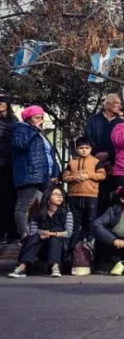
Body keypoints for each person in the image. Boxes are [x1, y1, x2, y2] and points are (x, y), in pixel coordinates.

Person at [11, 106, 60, 240]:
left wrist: (55, 171)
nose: (40, 120)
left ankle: (46, 231)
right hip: (29, 174)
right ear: (28, 119)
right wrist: (34, 130)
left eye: (41, 117)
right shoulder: (21, 129)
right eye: (37, 117)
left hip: (44, 175)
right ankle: (24, 234)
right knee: (24, 204)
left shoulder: (39, 133)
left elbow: (49, 154)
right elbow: (20, 144)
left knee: (50, 201)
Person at [8, 187, 71, 278]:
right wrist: (41, 234)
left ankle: (55, 267)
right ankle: (22, 267)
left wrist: (52, 234)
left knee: (54, 239)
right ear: (48, 197)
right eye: (56, 194)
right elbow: (32, 232)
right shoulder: (38, 213)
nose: (60, 197)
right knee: (35, 238)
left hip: (60, 247)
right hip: (42, 247)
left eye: (61, 195)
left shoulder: (66, 213)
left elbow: (68, 233)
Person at [92, 185, 124, 276]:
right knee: (101, 237)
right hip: (116, 248)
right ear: (122, 199)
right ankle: (119, 263)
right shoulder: (112, 211)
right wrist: (113, 240)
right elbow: (96, 225)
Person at [84, 94, 124, 213]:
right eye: (116, 103)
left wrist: (110, 154)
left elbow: (122, 144)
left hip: (115, 166)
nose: (120, 106)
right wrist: (97, 154)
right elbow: (88, 138)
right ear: (107, 105)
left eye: (120, 103)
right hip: (96, 165)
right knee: (97, 199)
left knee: (114, 198)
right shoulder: (93, 121)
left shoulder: (121, 123)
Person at [62, 137, 107, 240]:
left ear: (91, 149)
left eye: (87, 148)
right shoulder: (72, 163)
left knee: (91, 218)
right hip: (74, 195)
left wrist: (88, 175)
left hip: (91, 195)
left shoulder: (96, 162)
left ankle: (90, 240)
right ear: (76, 149)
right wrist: (74, 178)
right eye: (81, 148)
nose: (84, 150)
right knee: (75, 219)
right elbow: (64, 177)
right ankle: (74, 242)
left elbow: (102, 175)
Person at [0, 95, 19, 242]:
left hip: (12, 164)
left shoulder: (14, 121)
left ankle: (12, 231)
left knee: (12, 198)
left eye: (2, 102)